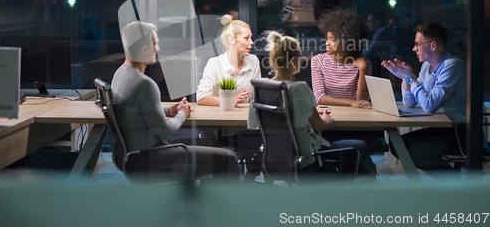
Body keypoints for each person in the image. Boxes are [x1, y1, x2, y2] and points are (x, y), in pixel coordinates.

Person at [111, 20, 240, 180]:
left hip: (131, 156)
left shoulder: (120, 74)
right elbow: (164, 131)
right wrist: (183, 114)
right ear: (144, 50)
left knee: (213, 145)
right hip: (151, 159)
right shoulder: (145, 84)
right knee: (229, 159)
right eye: (155, 44)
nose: (158, 49)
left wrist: (167, 110)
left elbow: (137, 109)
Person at [264, 31, 376, 179]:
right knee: (359, 145)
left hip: (274, 158)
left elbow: (254, 124)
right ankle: (364, 188)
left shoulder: (260, 87)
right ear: (296, 61)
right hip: (308, 157)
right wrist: (326, 119)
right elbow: (319, 126)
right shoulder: (300, 88)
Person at [382, 23, 467, 171]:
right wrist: (405, 79)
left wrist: (411, 78)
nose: (414, 49)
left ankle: (452, 185)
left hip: (461, 133)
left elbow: (429, 105)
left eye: (418, 44)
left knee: (410, 148)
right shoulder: (426, 66)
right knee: (398, 146)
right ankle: (451, 183)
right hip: (443, 129)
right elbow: (409, 103)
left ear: (433, 45)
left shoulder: (452, 66)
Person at [196, 14, 263, 177]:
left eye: (251, 38)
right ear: (232, 39)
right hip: (223, 130)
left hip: (249, 127)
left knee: (272, 138)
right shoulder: (215, 63)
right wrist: (229, 101)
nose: (251, 43)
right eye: (247, 38)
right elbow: (202, 97)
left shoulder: (253, 61)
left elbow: (258, 95)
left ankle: (250, 177)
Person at [311, 8, 373, 108]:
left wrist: (363, 69)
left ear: (346, 41)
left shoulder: (364, 63)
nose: (327, 43)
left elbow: (362, 100)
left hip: (356, 116)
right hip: (330, 113)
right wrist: (350, 103)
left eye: (332, 40)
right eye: (327, 38)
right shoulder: (318, 61)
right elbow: (319, 97)